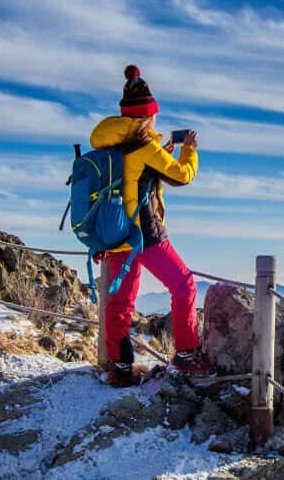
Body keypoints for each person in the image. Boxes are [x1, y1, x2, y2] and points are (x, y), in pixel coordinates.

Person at [89, 64, 211, 386]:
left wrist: (161, 155)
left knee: (121, 301)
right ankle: (186, 354)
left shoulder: (110, 143)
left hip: (115, 231)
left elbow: (135, 175)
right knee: (184, 285)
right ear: (147, 115)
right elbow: (182, 176)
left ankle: (119, 366)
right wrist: (189, 150)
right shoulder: (145, 146)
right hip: (144, 233)